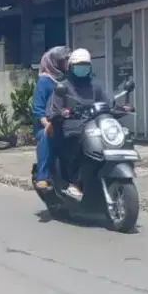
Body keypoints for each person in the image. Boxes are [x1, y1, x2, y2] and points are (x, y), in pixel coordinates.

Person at [46, 47, 109, 200]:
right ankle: (74, 182)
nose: (82, 69)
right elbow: (53, 110)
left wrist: (119, 107)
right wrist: (62, 112)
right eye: (79, 66)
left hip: (95, 127)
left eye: (85, 66)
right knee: (78, 145)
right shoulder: (63, 87)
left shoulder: (95, 87)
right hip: (72, 129)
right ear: (71, 67)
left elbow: (107, 103)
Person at [31, 46, 70, 191]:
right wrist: (47, 124)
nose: (67, 63)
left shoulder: (68, 80)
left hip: (67, 122)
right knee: (46, 136)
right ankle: (43, 176)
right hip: (48, 124)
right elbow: (38, 108)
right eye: (64, 60)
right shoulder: (45, 81)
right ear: (55, 63)